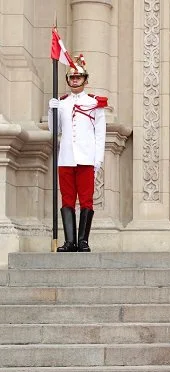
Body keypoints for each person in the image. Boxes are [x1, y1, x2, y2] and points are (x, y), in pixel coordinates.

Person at [48, 54, 107, 253]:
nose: (75, 80)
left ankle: (83, 241)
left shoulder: (94, 103)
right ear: (68, 80)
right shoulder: (62, 103)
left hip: (86, 158)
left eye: (78, 77)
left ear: (85, 80)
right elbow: (54, 130)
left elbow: (100, 134)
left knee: (86, 200)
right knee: (67, 199)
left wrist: (97, 161)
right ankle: (70, 241)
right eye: (72, 78)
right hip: (65, 157)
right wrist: (51, 111)